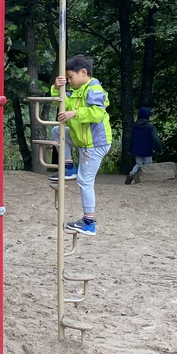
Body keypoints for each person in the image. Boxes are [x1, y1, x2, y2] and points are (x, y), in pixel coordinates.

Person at [49, 54, 112, 237]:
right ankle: (69, 166)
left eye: (70, 77)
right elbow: (62, 100)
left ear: (83, 72)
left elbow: (97, 113)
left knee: (85, 181)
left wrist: (74, 114)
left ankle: (89, 222)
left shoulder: (94, 89)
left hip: (95, 143)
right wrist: (57, 87)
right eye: (67, 79)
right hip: (82, 139)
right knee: (56, 132)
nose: (69, 81)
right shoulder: (77, 91)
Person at [125, 106, 162, 184]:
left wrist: (129, 149)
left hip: (137, 149)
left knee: (138, 164)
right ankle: (146, 180)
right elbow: (155, 139)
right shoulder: (150, 126)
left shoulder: (134, 126)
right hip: (148, 149)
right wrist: (159, 148)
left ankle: (130, 176)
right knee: (148, 165)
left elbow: (130, 138)